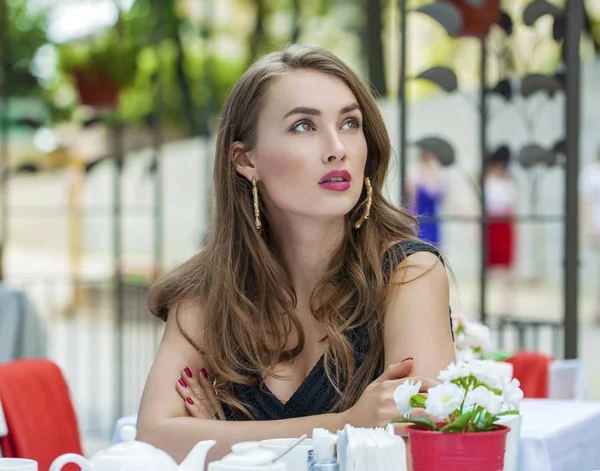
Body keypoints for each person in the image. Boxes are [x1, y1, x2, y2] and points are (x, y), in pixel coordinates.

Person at [136, 45, 455, 466]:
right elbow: (154, 435)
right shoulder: (205, 294)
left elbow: (420, 448)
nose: (337, 147)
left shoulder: (409, 276)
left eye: (349, 123)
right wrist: (347, 425)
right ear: (246, 160)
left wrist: (230, 439)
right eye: (304, 125)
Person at [484, 146, 518, 316]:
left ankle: (507, 307)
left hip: (505, 225)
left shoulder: (509, 183)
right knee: (488, 269)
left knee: (508, 270)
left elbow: (513, 208)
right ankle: (484, 304)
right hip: (490, 225)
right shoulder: (487, 181)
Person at [406, 146, 448, 247]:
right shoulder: (413, 171)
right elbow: (411, 196)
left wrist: (433, 171)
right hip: (418, 215)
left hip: (433, 218)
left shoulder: (437, 171)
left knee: (433, 246)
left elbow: (439, 193)